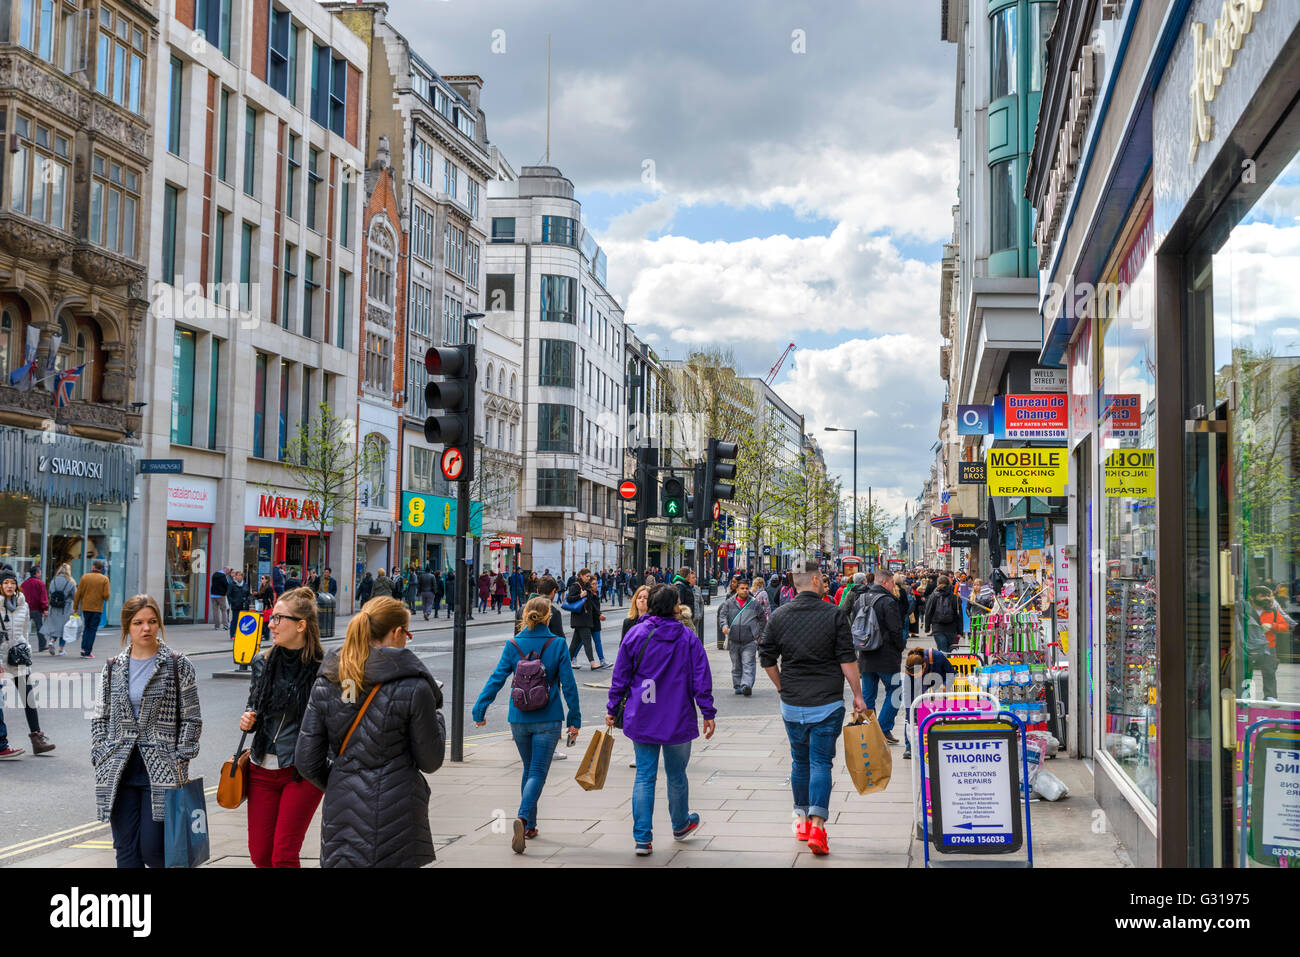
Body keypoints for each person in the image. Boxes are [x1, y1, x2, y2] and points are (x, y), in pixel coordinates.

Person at [295, 596, 445, 867]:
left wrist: (344, 780)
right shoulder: (415, 686)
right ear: (397, 632)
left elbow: (306, 760)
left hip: (342, 808)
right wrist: (437, 719)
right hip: (397, 812)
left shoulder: (329, 679)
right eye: (406, 634)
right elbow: (430, 761)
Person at [759, 562, 866, 856]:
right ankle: (818, 824)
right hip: (827, 702)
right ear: (816, 580)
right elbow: (847, 659)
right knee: (821, 762)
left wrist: (782, 687)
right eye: (825, 579)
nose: (827, 583)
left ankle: (802, 820)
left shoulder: (779, 616)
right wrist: (858, 695)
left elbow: (766, 658)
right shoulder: (834, 615)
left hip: (792, 702)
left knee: (799, 762)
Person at [91, 594, 202, 867]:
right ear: (127, 627)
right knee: (125, 851)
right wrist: (100, 753)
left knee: (154, 850)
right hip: (119, 768)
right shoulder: (113, 667)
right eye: (138, 622)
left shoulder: (177, 664)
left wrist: (182, 755)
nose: (146, 628)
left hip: (161, 770)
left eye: (152, 621)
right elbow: (100, 717)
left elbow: (192, 718)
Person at [607, 584, 715, 855]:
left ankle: (643, 838)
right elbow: (701, 677)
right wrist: (707, 711)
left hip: (643, 714)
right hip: (678, 715)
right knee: (677, 774)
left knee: (644, 776)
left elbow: (620, 676)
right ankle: (680, 824)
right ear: (674, 606)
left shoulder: (635, 634)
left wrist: (611, 708)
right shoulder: (688, 638)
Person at [473, 595, 582, 853]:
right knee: (537, 772)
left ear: (525, 616)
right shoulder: (556, 644)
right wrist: (574, 718)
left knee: (528, 769)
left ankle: (531, 826)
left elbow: (497, 678)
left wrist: (480, 708)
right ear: (548, 617)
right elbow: (569, 684)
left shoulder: (513, 644)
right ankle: (522, 818)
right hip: (548, 717)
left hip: (519, 718)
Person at [238, 587, 326, 867]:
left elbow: (336, 722)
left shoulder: (325, 669)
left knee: (283, 855)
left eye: (278, 618)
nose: (271, 624)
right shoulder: (261, 663)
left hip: (301, 771)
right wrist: (248, 720)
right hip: (261, 767)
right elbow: (254, 706)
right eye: (271, 617)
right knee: (260, 855)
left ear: (301, 625)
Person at [0, 571, 54, 754]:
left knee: (28, 697)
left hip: (17, 657)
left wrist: (26, 648)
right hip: (0, 657)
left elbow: (25, 631)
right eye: (5, 582)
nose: (9, 586)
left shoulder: (23, 605)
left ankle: (37, 739)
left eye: (12, 583)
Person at [857, 573, 907, 745]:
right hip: (886, 656)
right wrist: (901, 646)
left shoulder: (861, 599)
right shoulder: (888, 601)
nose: (894, 586)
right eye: (892, 582)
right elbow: (895, 629)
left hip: (865, 654)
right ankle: (883, 729)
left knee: (867, 695)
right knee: (895, 691)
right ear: (885, 582)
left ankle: (868, 730)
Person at [901, 646, 959, 759]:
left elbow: (952, 672)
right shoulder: (910, 672)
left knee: (939, 712)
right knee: (911, 712)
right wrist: (910, 719)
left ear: (924, 666)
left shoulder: (937, 657)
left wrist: (945, 685)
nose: (915, 676)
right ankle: (910, 746)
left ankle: (940, 739)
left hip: (940, 684)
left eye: (917, 674)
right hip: (921, 686)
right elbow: (908, 699)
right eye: (912, 675)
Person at [717, 579, 768, 696]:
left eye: (746, 588)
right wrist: (724, 625)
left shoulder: (754, 603)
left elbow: (762, 619)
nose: (745, 591)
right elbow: (723, 615)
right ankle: (738, 685)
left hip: (750, 640)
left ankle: (746, 685)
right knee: (736, 665)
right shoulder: (729, 603)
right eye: (742, 588)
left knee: (748, 663)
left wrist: (760, 635)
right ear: (737, 589)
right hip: (734, 640)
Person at [1246, 586, 1288, 701]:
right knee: (1245, 672)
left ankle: (1270, 696)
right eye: (1262, 596)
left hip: (1269, 647)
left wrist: (1272, 626)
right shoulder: (1246, 610)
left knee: (1269, 672)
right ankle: (1245, 695)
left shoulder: (1273, 611)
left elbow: (1285, 626)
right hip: (1249, 647)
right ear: (1252, 597)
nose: (1267, 598)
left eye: (1268, 596)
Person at [562, 569, 600, 671]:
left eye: (589, 576)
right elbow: (569, 598)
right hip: (580, 618)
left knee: (575, 643)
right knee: (587, 641)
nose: (588, 578)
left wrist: (598, 614)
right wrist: (580, 595)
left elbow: (590, 602)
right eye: (586, 576)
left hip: (586, 618)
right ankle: (592, 663)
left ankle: (566, 662)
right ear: (581, 576)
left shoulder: (586, 586)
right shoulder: (575, 585)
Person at [73, 558, 111, 658]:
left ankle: (83, 648)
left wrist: (75, 607)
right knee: (92, 629)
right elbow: (106, 595)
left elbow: (78, 594)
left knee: (86, 628)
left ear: (93, 567)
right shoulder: (104, 579)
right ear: (101, 569)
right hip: (97, 608)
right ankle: (87, 651)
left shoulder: (85, 577)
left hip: (85, 607)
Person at [42, 563, 77, 656]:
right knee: (64, 629)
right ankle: (61, 650)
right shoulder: (71, 582)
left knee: (55, 626)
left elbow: (50, 593)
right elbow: (75, 595)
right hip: (65, 608)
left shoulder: (53, 580)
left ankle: (51, 641)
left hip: (54, 607)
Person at [924, 575, 961, 654]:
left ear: (938, 583)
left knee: (942, 651)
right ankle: (949, 665)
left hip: (938, 628)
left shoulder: (933, 596)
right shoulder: (955, 597)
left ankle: (943, 665)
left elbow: (928, 612)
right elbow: (959, 615)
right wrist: (959, 631)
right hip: (952, 628)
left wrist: (927, 627)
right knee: (950, 652)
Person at [21, 566, 49, 652]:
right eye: (40, 572)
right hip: (36, 609)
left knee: (23, 628)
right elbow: (43, 597)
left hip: (25, 608)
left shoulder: (24, 583)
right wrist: (45, 608)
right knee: (39, 628)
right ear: (36, 573)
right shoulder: (40, 583)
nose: (40, 574)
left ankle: (21, 645)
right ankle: (42, 645)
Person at [227, 569, 250, 639]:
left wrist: (247, 601)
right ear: (235, 577)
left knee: (243, 621)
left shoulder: (245, 585)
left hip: (244, 606)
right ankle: (233, 634)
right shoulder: (232, 585)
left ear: (242, 577)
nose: (238, 577)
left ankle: (241, 633)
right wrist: (233, 602)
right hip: (236, 606)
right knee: (235, 620)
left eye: (240, 575)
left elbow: (248, 595)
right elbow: (228, 595)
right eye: (237, 575)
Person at [209, 567, 229, 632]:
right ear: (225, 570)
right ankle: (225, 625)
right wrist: (226, 592)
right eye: (227, 572)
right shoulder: (223, 576)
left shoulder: (214, 574)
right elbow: (226, 585)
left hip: (213, 595)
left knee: (215, 611)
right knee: (223, 610)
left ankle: (216, 626)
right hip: (221, 595)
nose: (227, 574)